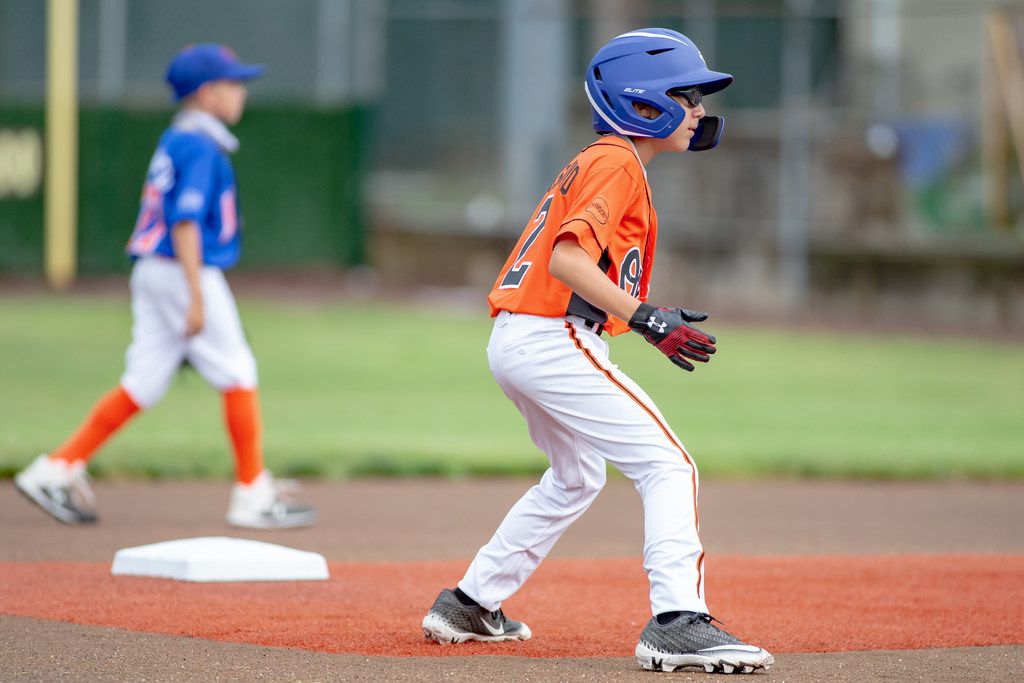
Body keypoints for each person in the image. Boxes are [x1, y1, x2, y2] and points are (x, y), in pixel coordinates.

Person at [421, 29, 772, 673]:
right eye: (686, 95)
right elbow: (566, 257)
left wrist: (640, 319)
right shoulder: (617, 162)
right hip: (553, 338)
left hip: (523, 339)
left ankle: (471, 603)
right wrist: (643, 317)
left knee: (576, 476)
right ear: (643, 102)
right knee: (669, 465)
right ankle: (677, 620)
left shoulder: (605, 158)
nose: (698, 110)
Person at [14, 44, 316, 530]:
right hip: (181, 268)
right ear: (207, 92)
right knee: (238, 370)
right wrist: (196, 294)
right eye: (233, 84)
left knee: (144, 382)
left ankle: (55, 468)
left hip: (153, 269)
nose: (241, 93)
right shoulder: (199, 143)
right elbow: (185, 222)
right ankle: (251, 492)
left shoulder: (178, 137)